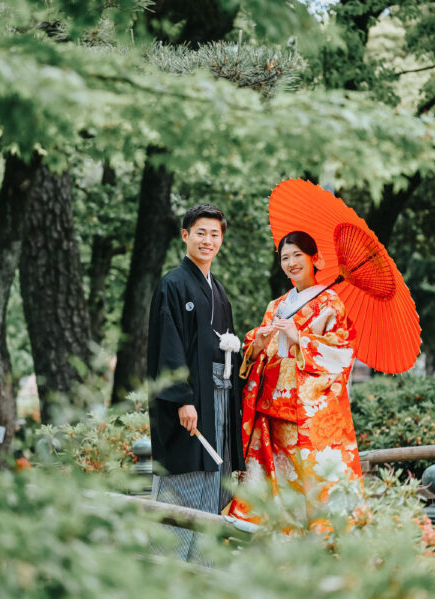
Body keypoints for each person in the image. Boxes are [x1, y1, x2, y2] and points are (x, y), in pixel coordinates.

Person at [228, 230, 362, 530]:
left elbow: (340, 354)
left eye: (297, 255)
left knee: (309, 482)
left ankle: (315, 544)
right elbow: (256, 353)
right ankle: (279, 543)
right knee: (278, 481)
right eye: (284, 258)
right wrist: (258, 346)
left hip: (307, 414)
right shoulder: (276, 306)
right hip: (271, 410)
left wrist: (299, 338)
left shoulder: (330, 303)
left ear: (315, 259)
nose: (290, 262)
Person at [146, 204, 245, 561]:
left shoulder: (218, 291)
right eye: (200, 232)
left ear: (222, 240)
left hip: (218, 400)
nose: (208, 240)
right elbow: (168, 348)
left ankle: (200, 572)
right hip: (189, 405)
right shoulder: (173, 284)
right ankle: (164, 567)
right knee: (183, 485)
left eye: (215, 234)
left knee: (214, 486)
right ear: (185, 235)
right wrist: (182, 399)